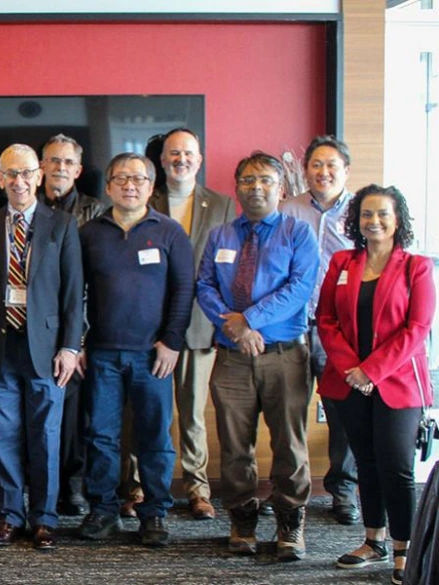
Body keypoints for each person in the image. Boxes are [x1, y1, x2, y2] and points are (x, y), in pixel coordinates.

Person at [197, 151, 319, 561]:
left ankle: (289, 524)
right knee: (234, 446)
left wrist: (249, 319)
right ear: (237, 189)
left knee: (290, 445)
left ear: (281, 188)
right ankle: (242, 520)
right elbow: (205, 286)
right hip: (232, 358)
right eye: (248, 180)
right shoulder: (220, 236)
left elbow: (300, 288)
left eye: (265, 179)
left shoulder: (297, 234)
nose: (256, 187)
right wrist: (232, 327)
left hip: (284, 355)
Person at [0, 145, 83, 549]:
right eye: (10, 174)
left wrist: (70, 346)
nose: (19, 181)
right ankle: (10, 516)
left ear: (40, 175)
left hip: (47, 351)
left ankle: (44, 519)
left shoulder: (63, 226)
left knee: (46, 437)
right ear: (0, 179)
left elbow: (73, 293)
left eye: (26, 173)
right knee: (3, 436)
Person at [315, 185, 434, 584]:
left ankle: (405, 548)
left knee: (397, 465)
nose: (374, 221)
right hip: (349, 381)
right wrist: (353, 368)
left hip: (398, 381)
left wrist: (373, 370)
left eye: (383, 213)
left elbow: (417, 328)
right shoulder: (342, 262)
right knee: (365, 462)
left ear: (398, 219)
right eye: (367, 214)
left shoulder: (415, 266)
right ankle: (373, 540)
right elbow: (326, 319)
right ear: (357, 221)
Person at [77, 153, 193, 547]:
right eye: (121, 179)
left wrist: (172, 342)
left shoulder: (170, 232)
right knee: (100, 436)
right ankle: (103, 511)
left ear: (150, 185)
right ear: (108, 186)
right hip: (102, 353)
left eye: (139, 179)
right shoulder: (89, 233)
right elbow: (74, 293)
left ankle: (155, 514)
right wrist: (78, 342)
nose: (130, 185)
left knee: (154, 438)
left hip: (153, 355)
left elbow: (183, 291)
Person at [142, 128, 236, 521]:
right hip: (150, 326)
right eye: (173, 154)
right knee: (148, 413)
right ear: (161, 161)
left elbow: (226, 270)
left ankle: (197, 489)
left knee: (193, 414)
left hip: (199, 325)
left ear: (199, 160)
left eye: (188, 154)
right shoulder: (146, 197)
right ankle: (141, 487)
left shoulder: (223, 206)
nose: (181, 160)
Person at [279, 135, 360, 526]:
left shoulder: (363, 212)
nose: (323, 172)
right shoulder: (288, 210)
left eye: (331, 165)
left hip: (341, 330)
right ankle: (289, 491)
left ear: (346, 170)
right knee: (288, 411)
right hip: (294, 325)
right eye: (316, 165)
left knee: (343, 412)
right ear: (305, 170)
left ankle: (343, 490)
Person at [39, 134, 106, 517]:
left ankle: (73, 487)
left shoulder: (95, 212)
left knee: (73, 416)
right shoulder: (26, 207)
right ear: (42, 167)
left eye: (68, 162)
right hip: (33, 326)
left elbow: (90, 282)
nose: (60, 168)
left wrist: (77, 341)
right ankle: (39, 486)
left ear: (78, 171)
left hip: (77, 330)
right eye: (54, 161)